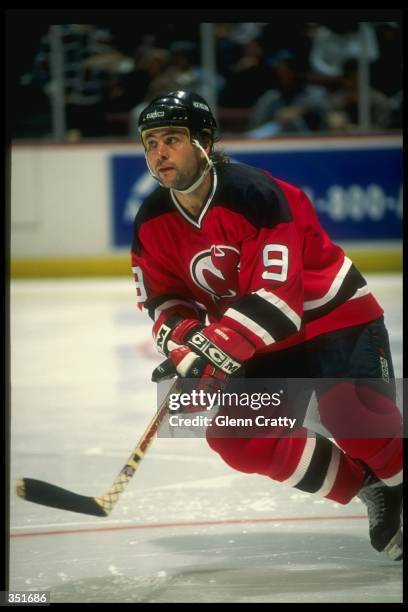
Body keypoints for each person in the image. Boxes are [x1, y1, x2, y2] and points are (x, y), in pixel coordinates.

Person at [130, 90, 403, 561]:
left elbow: (279, 302)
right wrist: (184, 345)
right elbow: (163, 300)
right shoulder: (151, 220)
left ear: (204, 142)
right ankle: (373, 488)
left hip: (332, 319)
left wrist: (209, 351)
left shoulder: (254, 194)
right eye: (151, 141)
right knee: (239, 437)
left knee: (355, 421)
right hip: (259, 342)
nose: (159, 152)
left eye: (171, 138)